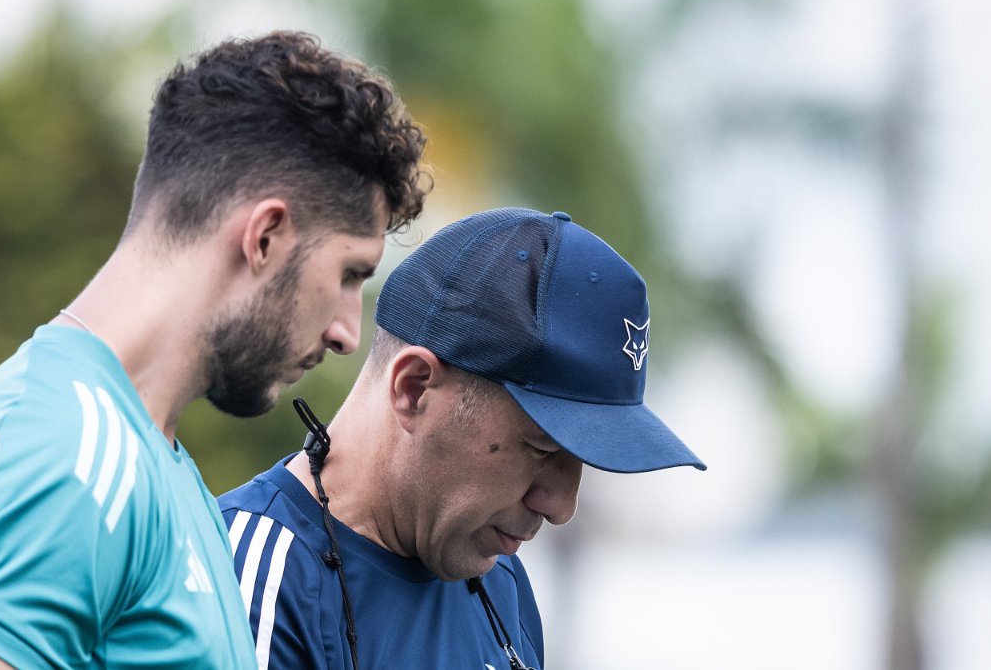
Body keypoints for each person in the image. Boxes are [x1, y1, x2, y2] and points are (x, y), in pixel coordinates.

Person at [0, 31, 428, 669]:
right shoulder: (73, 461)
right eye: (347, 274)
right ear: (265, 237)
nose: (346, 332)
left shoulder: (146, 460)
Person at [220, 207, 707, 669]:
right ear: (414, 388)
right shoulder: (252, 579)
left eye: (582, 458)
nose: (560, 506)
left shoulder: (499, 580)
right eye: (540, 447)